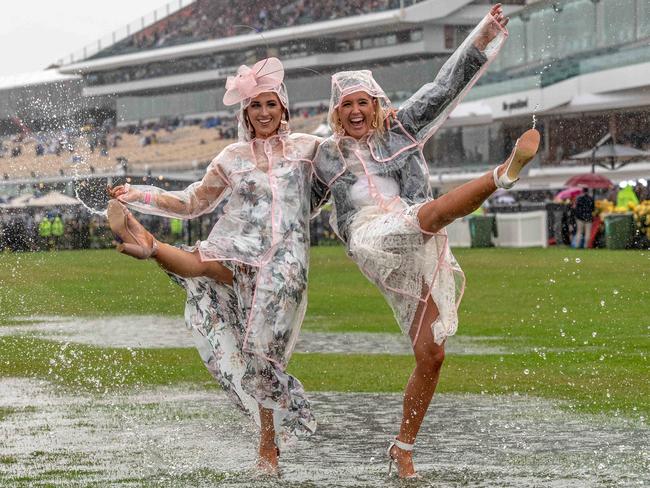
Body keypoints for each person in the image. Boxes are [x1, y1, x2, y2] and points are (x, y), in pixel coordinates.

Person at [314, 4, 538, 478]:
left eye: (363, 102)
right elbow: (281, 197)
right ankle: (502, 175)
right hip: (371, 236)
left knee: (432, 353)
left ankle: (402, 446)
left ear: (375, 104)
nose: (356, 111)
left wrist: (483, 34)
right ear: (337, 112)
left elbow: (444, 86)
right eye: (347, 104)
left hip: (416, 240)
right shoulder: (322, 156)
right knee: (431, 215)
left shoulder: (401, 126)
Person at [106, 58, 326, 474]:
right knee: (203, 266)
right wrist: (139, 193)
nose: (263, 113)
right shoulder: (231, 156)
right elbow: (193, 202)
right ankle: (147, 242)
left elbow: (344, 168)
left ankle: (268, 442)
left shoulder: (308, 149)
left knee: (263, 358)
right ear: (245, 113)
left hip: (284, 265)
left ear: (284, 109)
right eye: (255, 106)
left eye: (270, 105)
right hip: (238, 245)